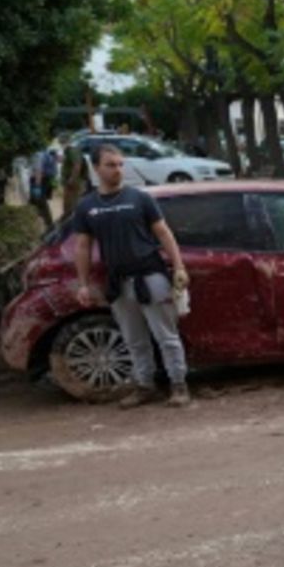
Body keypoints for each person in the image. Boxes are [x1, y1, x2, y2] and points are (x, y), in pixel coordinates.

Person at [72, 144, 192, 408]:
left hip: (151, 277)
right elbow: (82, 246)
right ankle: (144, 386)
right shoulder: (86, 206)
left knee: (166, 336)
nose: (118, 170)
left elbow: (164, 233)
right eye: (111, 165)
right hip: (117, 281)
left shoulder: (140, 198)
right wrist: (82, 284)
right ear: (96, 168)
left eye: (120, 164)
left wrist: (179, 266)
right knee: (134, 339)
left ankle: (178, 385)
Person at [60, 134, 86, 230]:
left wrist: (72, 179)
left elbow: (77, 165)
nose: (61, 144)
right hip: (72, 182)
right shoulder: (69, 151)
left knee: (72, 205)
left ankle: (71, 227)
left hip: (75, 183)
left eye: (62, 142)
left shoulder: (72, 150)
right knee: (69, 205)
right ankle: (68, 225)